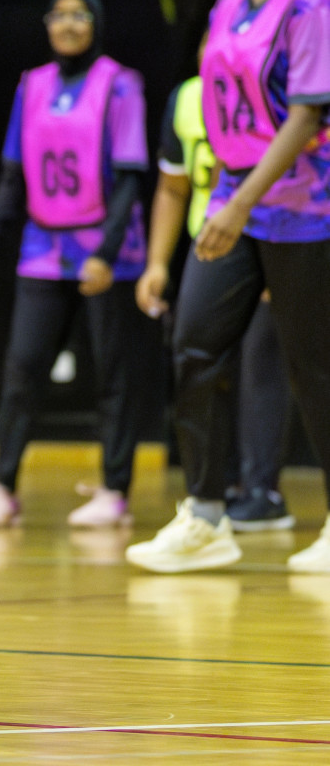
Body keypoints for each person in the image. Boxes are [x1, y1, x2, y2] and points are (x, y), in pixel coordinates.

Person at [128, 0, 330, 573]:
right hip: (236, 201)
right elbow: (219, 106)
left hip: (305, 208)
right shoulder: (222, 6)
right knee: (193, 344)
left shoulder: (310, 5)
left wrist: (241, 204)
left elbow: (307, 113)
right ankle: (207, 517)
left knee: (313, 366)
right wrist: (228, 199)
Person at [0, 0, 151, 529]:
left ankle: (114, 491)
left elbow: (131, 176)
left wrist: (107, 253)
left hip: (106, 251)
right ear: (47, 25)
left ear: (96, 23)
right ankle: (3, 488)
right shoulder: (33, 85)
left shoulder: (120, 84)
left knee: (113, 373)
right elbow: (13, 176)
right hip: (43, 248)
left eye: (79, 15)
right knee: (22, 367)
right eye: (59, 15)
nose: (68, 24)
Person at [137, 41, 296, 532]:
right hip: (211, 250)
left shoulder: (276, 88)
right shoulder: (186, 98)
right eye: (212, 34)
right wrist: (157, 263)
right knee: (199, 359)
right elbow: (172, 185)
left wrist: (277, 264)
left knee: (261, 367)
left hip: (274, 234)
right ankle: (212, 492)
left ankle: (263, 491)